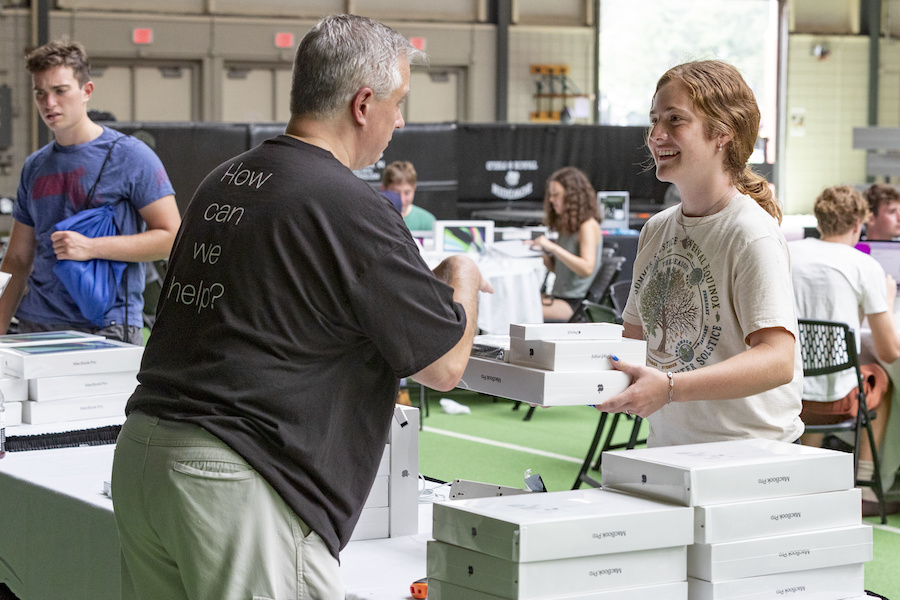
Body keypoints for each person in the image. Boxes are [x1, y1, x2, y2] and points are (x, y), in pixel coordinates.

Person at [110, 14, 491, 600]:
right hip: (239, 477)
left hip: (147, 457)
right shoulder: (348, 205)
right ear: (364, 103)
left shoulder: (224, 180)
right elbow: (443, 365)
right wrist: (461, 273)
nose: (400, 121)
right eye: (399, 101)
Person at [604, 60, 804, 447]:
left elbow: (778, 360)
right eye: (654, 120)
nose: (656, 135)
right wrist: (559, 375)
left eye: (675, 120)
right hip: (671, 449)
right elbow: (633, 343)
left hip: (750, 455)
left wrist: (672, 387)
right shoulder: (656, 229)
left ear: (722, 134)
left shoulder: (750, 234)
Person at [0, 40, 181, 345]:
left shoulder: (131, 157)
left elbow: (172, 237)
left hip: (107, 326)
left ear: (86, 91)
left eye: (60, 90)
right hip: (38, 325)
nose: (49, 103)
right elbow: (17, 260)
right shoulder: (35, 166)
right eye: (40, 93)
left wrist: (93, 247)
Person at [789, 185, 900, 516]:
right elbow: (889, 350)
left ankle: (804, 479)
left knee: (817, 377)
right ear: (859, 225)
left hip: (785, 393)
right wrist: (887, 297)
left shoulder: (790, 253)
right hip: (835, 403)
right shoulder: (863, 265)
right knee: (882, 379)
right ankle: (865, 487)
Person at [529, 166, 603, 322]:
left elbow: (586, 268)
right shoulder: (568, 227)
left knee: (520, 309)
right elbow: (561, 270)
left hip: (572, 304)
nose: (551, 200)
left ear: (572, 196)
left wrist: (552, 247)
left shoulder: (587, 226)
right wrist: (542, 252)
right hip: (559, 296)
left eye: (556, 195)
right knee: (516, 301)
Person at [381, 160, 436, 231]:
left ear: (414, 189)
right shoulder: (374, 219)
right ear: (383, 189)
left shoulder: (427, 222)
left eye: (407, 193)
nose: (402, 199)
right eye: (396, 193)